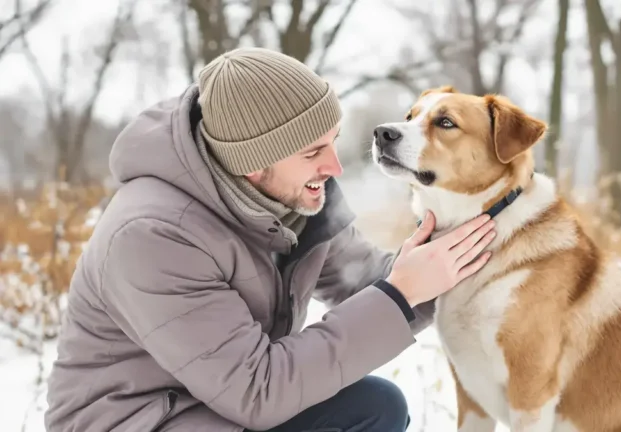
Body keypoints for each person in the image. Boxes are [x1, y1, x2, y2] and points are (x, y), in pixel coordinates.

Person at [44, 47, 496, 432]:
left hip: (218, 408)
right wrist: (400, 294)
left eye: (333, 141)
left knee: (375, 407)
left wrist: (464, 260)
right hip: (142, 421)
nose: (335, 167)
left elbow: (368, 284)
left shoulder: (293, 198)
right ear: (253, 163)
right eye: (312, 152)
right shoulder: (153, 236)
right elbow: (258, 390)